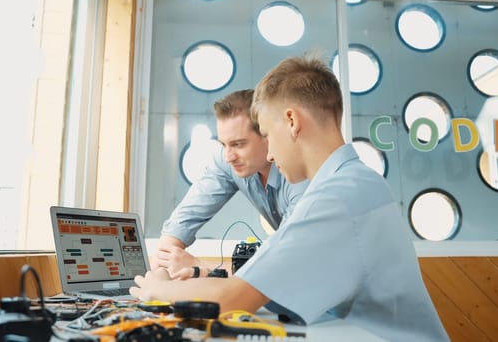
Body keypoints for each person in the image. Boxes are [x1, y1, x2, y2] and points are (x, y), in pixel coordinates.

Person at [131, 53, 449, 341]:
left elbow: (231, 300)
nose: (268, 153)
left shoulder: (334, 200)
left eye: (267, 135)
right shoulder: (354, 183)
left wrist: (157, 288)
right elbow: (264, 286)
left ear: (292, 122)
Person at [153, 89, 308, 279]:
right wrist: (166, 263)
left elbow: (286, 267)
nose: (228, 156)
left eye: (239, 144)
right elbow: (184, 220)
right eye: (223, 144)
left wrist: (198, 267)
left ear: (267, 135)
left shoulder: (300, 180)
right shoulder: (228, 159)